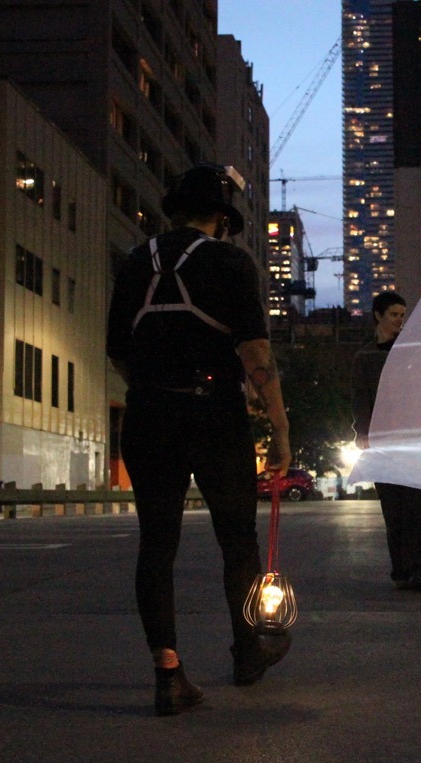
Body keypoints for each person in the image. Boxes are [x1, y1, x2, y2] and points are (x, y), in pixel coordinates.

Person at [106, 163, 292, 715]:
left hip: (148, 412)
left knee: (156, 544)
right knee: (236, 539)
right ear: (222, 218)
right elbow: (255, 355)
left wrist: (153, 385)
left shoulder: (137, 260)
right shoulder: (230, 261)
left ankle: (168, 673)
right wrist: (279, 427)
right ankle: (246, 651)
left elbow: (117, 347)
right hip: (213, 413)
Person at [351, 291, 421, 592]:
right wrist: (362, 433)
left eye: (402, 314)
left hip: (413, 442)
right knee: (394, 510)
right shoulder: (366, 357)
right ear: (378, 316)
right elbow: (360, 399)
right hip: (384, 444)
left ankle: (420, 570)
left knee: (418, 510)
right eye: (394, 314)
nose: (400, 320)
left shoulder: (411, 351)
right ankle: (400, 569)